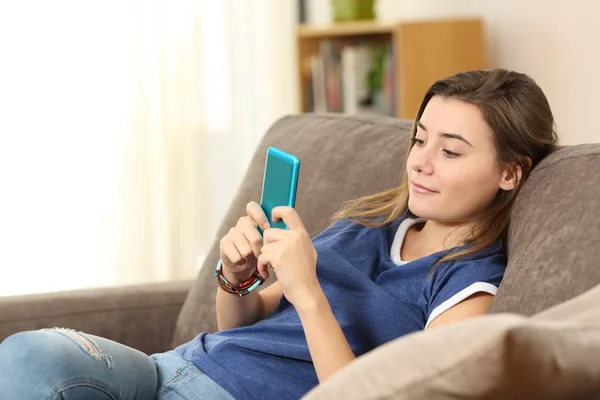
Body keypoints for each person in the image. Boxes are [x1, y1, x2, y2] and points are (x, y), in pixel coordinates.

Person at [0, 69, 558, 399]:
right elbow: (239, 322)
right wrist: (236, 278)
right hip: (167, 368)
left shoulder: (467, 287)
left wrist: (309, 292)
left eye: (451, 150)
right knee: (30, 355)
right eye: (418, 139)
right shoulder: (366, 225)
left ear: (511, 172)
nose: (420, 162)